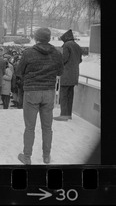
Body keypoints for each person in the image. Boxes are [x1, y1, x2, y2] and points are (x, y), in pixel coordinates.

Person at [16, 28, 64, 165]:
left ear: (36, 38)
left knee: (29, 127)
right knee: (47, 127)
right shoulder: (57, 53)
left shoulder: (28, 53)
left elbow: (19, 71)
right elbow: (60, 71)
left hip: (32, 92)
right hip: (48, 92)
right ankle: (46, 156)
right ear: (49, 38)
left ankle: (27, 156)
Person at [54, 29, 82, 121]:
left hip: (66, 75)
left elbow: (64, 59)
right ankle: (68, 114)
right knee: (70, 95)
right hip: (74, 75)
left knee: (64, 95)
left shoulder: (67, 45)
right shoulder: (77, 46)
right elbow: (80, 60)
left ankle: (63, 115)